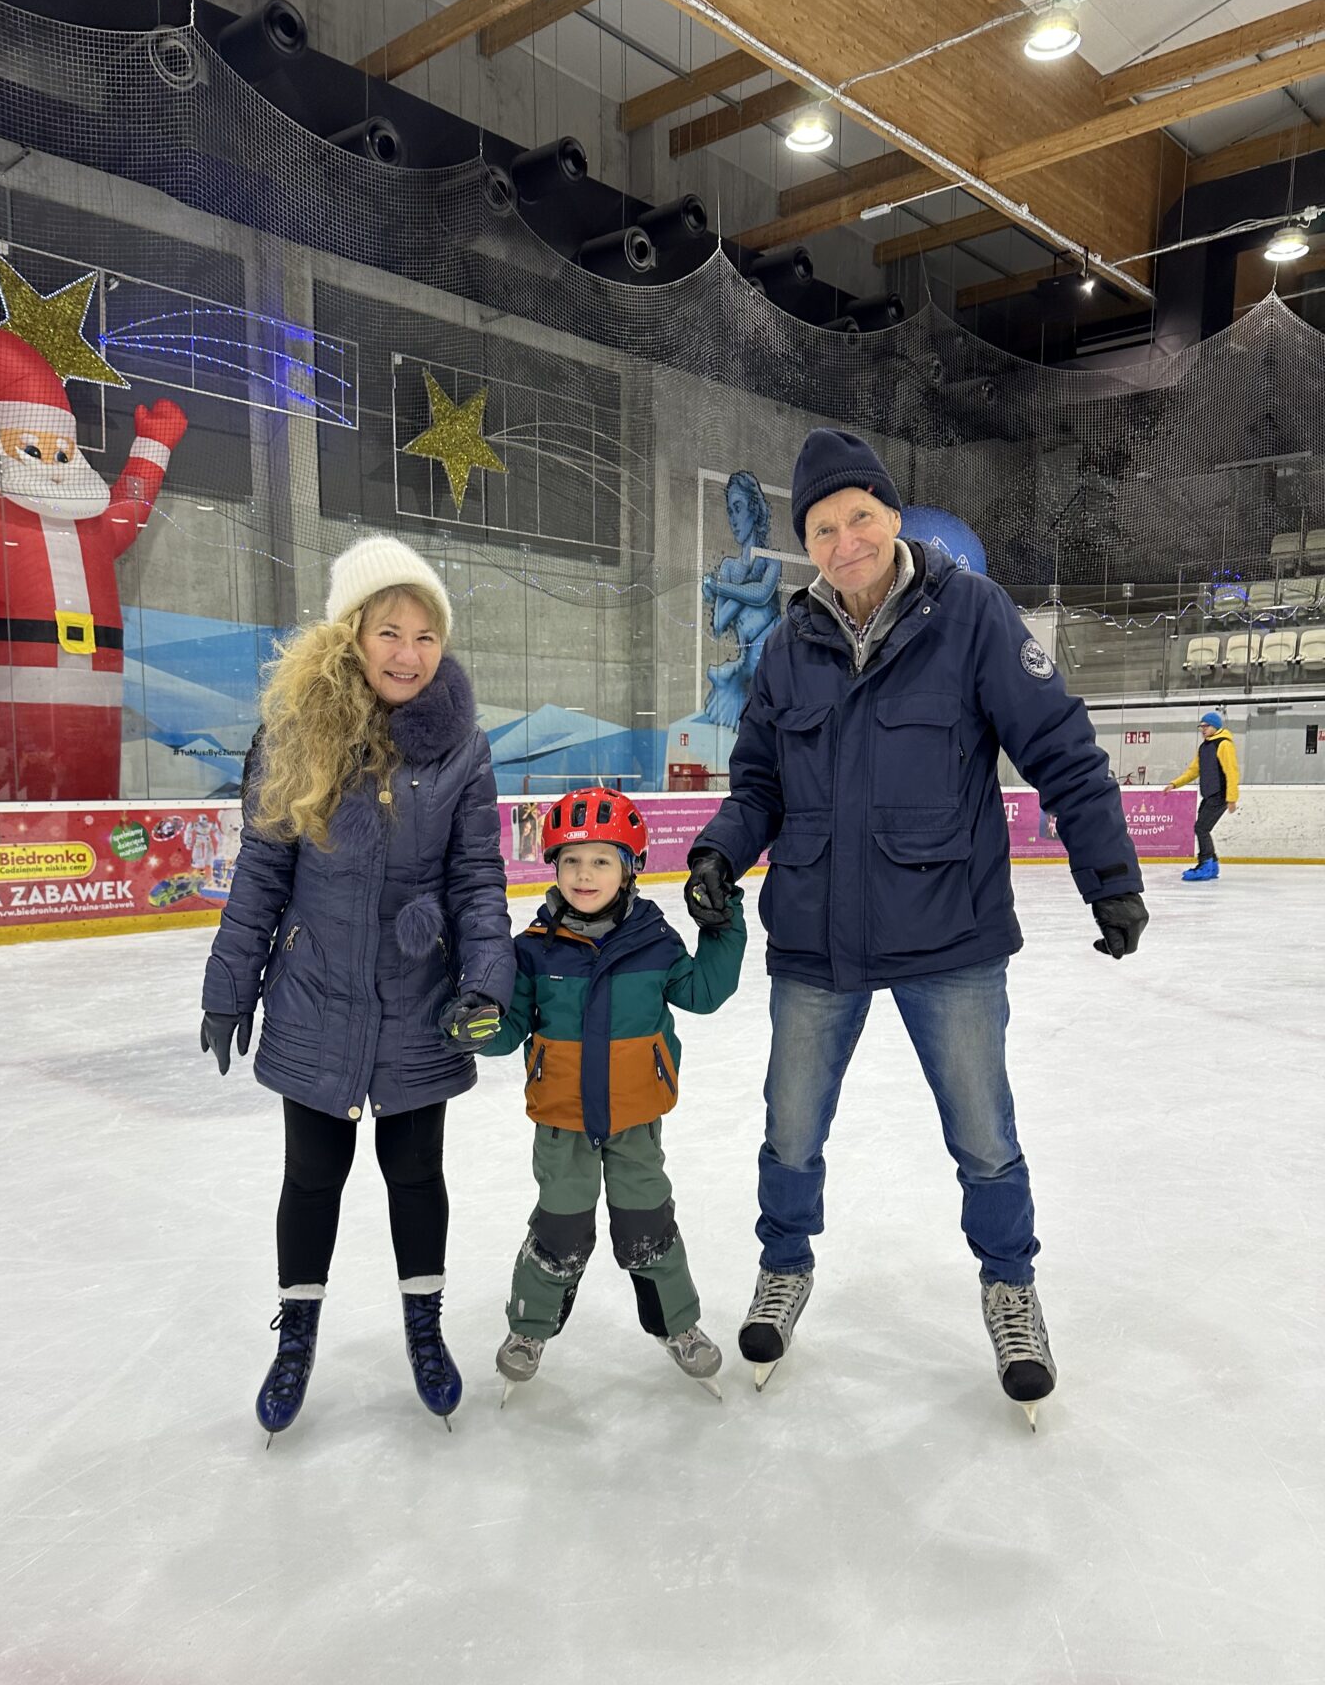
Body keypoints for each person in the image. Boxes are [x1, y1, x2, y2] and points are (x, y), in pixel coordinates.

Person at [684, 430, 1150, 1425]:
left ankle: (1011, 1288)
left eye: (860, 517)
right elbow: (758, 782)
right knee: (790, 1127)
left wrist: (1108, 873)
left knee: (984, 1134)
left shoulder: (972, 614)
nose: (845, 541)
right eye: (823, 529)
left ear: (893, 516)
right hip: (817, 934)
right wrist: (720, 851)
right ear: (807, 544)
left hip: (950, 932)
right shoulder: (787, 645)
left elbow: (1059, 746)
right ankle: (783, 1267)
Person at [200, 535, 514, 1434]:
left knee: (416, 1173)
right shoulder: (295, 735)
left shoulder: (462, 748)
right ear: (351, 635)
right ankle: (296, 1334)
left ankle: (425, 1326)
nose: (409, 653)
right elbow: (262, 874)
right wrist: (230, 986)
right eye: (390, 632)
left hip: (418, 999)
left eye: (425, 635)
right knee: (312, 1176)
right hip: (316, 995)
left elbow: (477, 879)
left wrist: (486, 978)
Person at [481, 787, 745, 1401]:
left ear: (630, 868)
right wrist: (478, 1025)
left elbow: (704, 993)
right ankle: (528, 1331)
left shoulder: (655, 942)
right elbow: (510, 1030)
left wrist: (722, 925)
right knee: (560, 1228)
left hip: (635, 1116)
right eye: (571, 860)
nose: (584, 874)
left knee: (647, 1225)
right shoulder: (533, 949)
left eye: (601, 860)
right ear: (553, 867)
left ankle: (677, 1326)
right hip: (563, 1120)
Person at [702, 470, 784, 730]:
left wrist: (720, 588)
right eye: (730, 511)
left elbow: (762, 594)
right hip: (747, 671)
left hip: (776, 668)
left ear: (754, 509)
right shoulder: (729, 567)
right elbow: (718, 622)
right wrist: (736, 588)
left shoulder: (771, 560)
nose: (733, 519)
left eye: (738, 508)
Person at [1170, 711, 1239, 882]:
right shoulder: (1204, 747)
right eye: (1201, 726)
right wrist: (1175, 784)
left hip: (1220, 795)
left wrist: (1231, 798)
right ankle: (1212, 865)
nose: (1202, 729)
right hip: (1209, 794)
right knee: (1202, 828)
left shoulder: (1224, 744)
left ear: (1215, 726)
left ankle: (1205, 865)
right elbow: (1194, 771)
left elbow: (1231, 772)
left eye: (1206, 726)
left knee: (1201, 828)